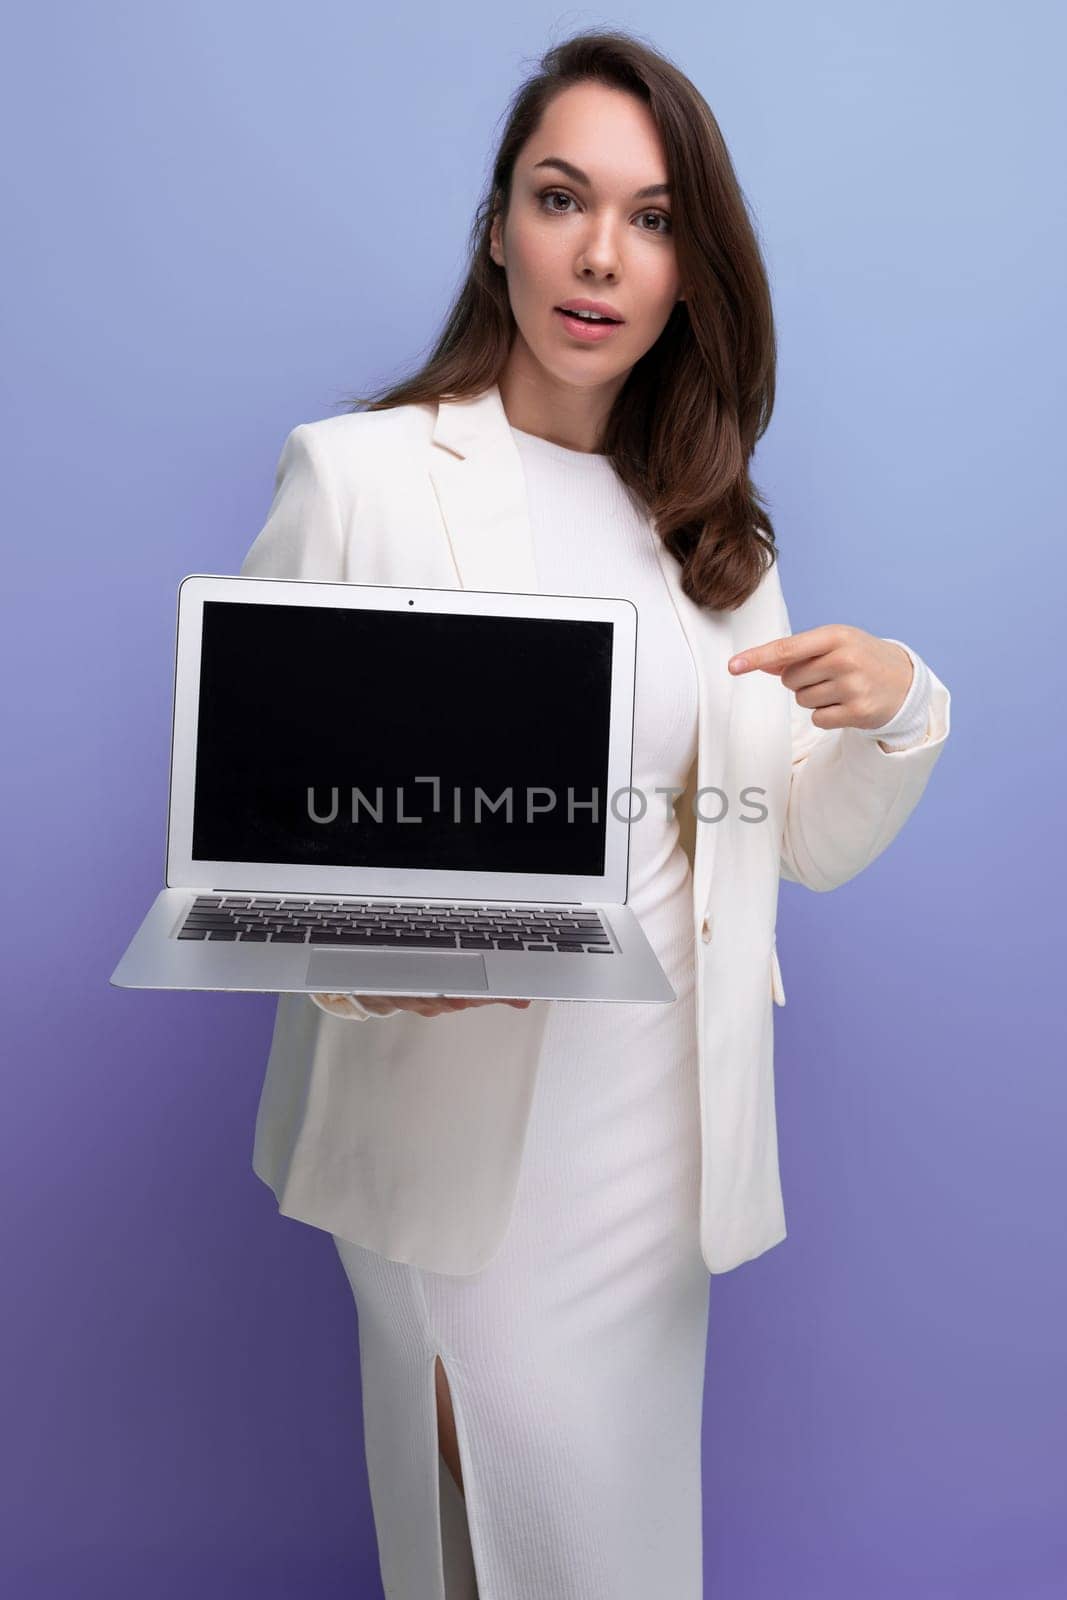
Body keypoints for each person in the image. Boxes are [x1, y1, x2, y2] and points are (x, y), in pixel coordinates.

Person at [238, 29, 951, 1600]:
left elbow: (801, 845)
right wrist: (366, 954)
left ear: (693, 266)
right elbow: (263, 843)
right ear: (499, 224)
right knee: (480, 1545)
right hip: (461, 1131)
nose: (600, 254)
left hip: (659, 1131)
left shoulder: (716, 536)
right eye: (564, 199)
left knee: (621, 1559)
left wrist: (903, 713)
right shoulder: (357, 478)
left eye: (652, 217)